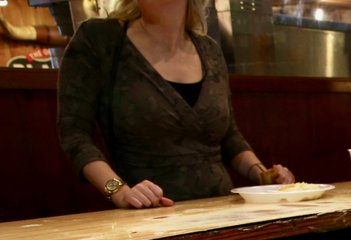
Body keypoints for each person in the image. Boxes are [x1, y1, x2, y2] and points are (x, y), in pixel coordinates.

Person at [56, 0, 294, 209]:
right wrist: (119, 192)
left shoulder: (210, 50)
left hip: (223, 210)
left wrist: (264, 175)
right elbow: (74, 133)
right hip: (150, 215)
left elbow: (228, 135)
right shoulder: (100, 38)